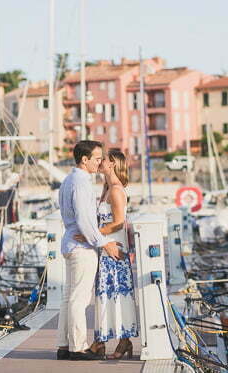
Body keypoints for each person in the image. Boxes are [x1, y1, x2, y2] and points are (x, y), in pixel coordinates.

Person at [56, 140, 123, 361]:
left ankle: (64, 345)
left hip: (70, 242)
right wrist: (105, 242)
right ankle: (77, 347)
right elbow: (85, 221)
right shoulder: (82, 182)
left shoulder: (68, 180)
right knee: (79, 299)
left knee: (68, 297)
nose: (99, 162)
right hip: (81, 247)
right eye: (96, 158)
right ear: (84, 160)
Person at [77, 149, 138, 360]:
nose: (100, 161)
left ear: (112, 164)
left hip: (114, 248)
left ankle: (121, 340)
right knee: (104, 295)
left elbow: (119, 222)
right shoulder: (105, 189)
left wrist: (91, 235)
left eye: (104, 159)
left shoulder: (116, 190)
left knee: (116, 295)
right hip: (105, 248)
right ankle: (103, 341)